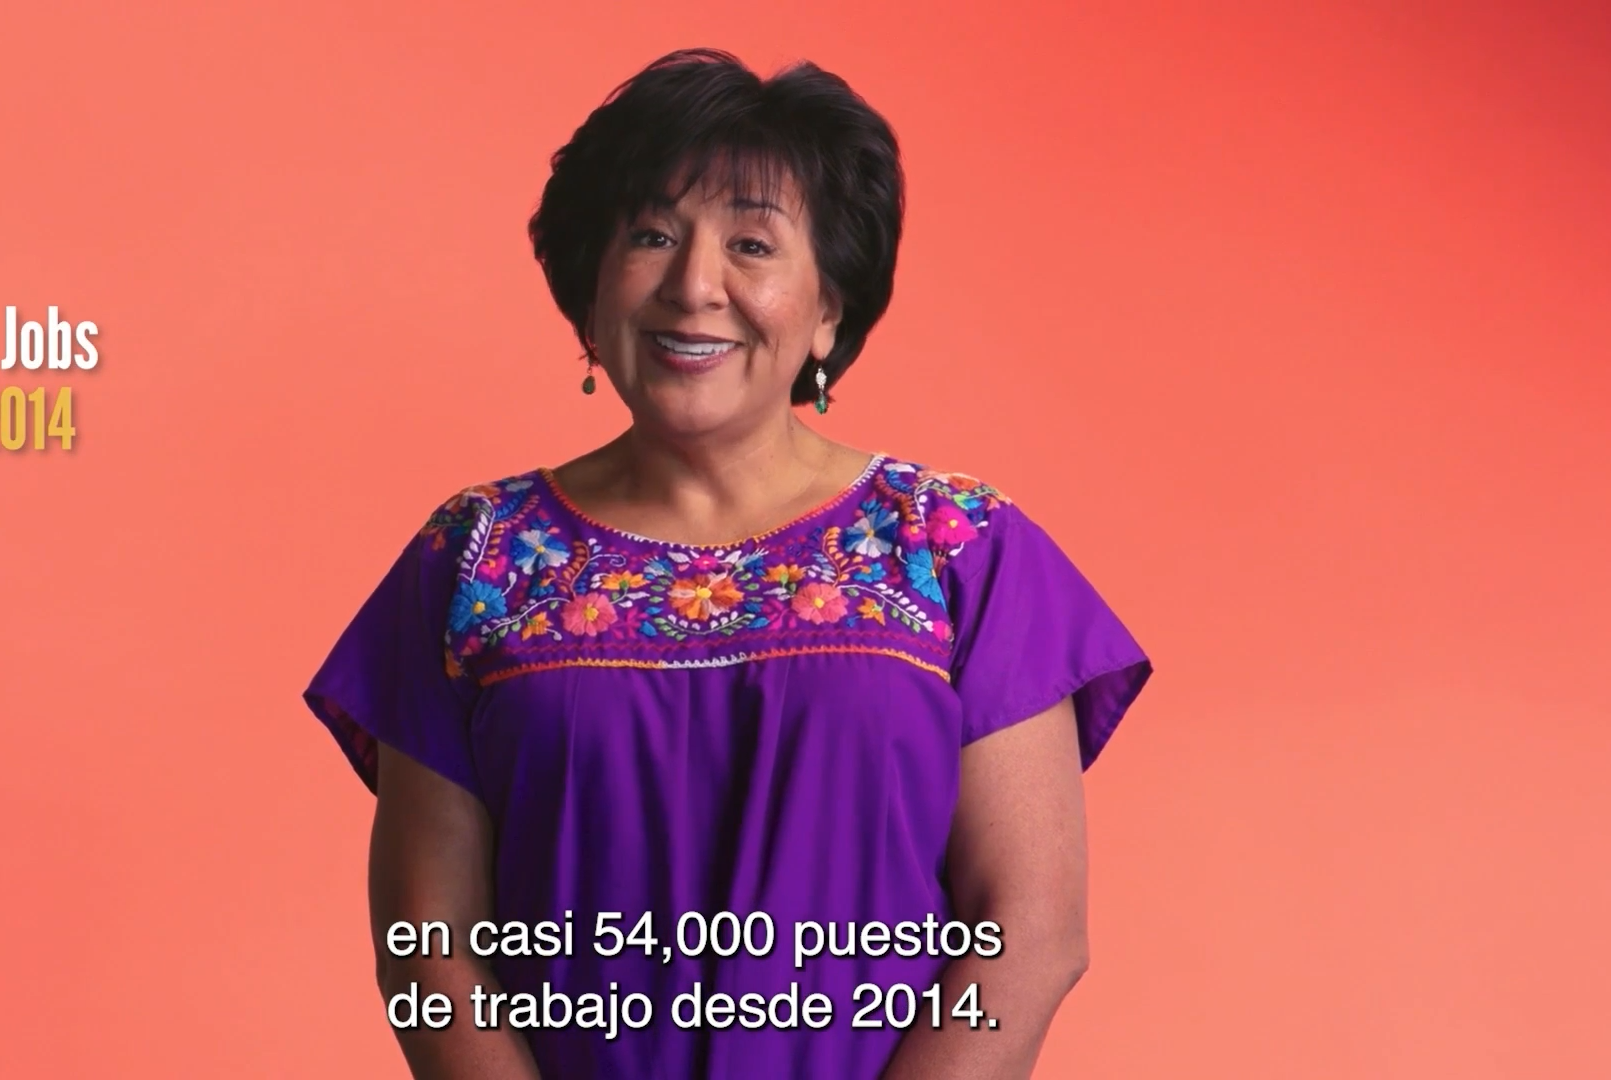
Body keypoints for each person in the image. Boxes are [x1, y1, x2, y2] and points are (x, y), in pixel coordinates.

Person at [303, 47, 1152, 1080]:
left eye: (752, 244)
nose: (694, 285)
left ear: (829, 309)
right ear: (590, 289)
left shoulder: (960, 548)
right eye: (652, 235)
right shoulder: (472, 557)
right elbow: (429, 949)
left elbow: (1030, 932)